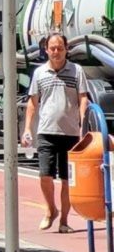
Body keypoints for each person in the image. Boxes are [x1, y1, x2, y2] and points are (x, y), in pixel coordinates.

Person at [21, 32, 90, 233]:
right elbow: (33, 102)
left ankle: (64, 222)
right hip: (46, 132)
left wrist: (83, 124)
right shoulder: (40, 73)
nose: (56, 52)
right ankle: (51, 210)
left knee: (67, 180)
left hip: (70, 134)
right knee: (45, 176)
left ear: (66, 49)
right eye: (52, 48)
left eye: (60, 48)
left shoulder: (76, 71)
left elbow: (83, 98)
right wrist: (27, 128)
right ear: (46, 50)